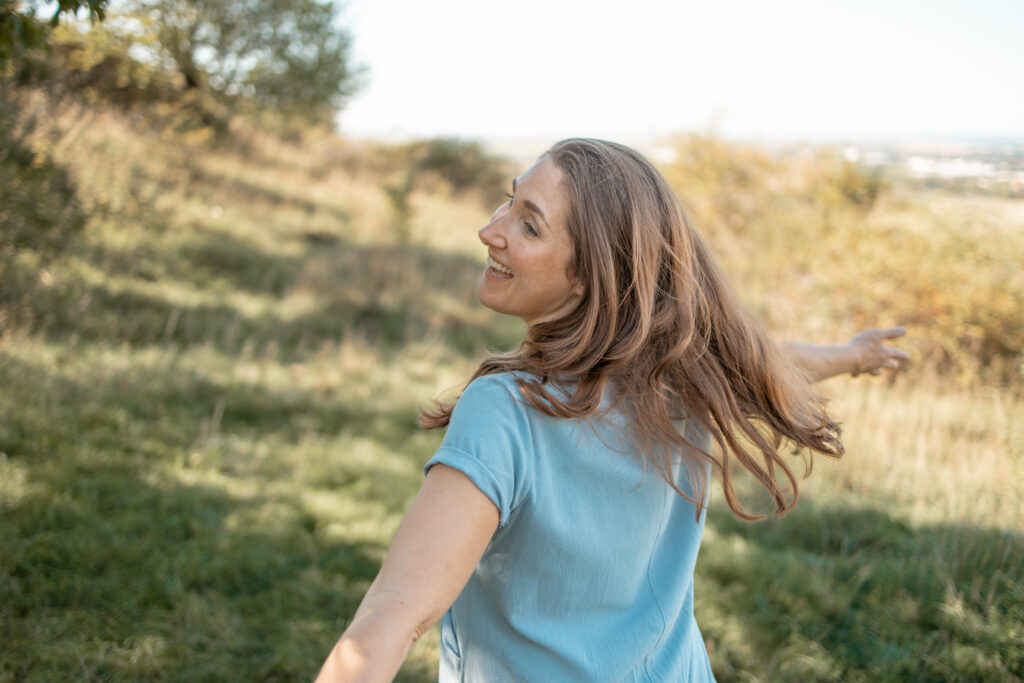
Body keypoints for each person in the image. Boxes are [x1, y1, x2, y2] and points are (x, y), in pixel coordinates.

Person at [315, 138, 909, 682]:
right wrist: (852, 356)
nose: (489, 231)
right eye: (508, 203)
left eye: (529, 225)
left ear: (586, 278)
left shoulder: (507, 411)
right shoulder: (683, 374)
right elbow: (775, 360)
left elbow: (393, 616)